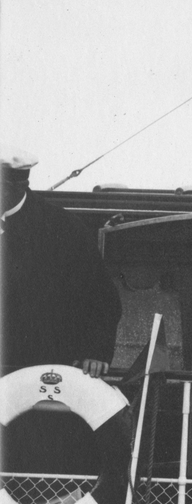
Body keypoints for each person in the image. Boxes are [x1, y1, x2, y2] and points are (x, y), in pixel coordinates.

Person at [1, 147, 121, 376]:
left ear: (19, 185)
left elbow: (101, 294)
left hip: (43, 367)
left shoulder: (62, 227)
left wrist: (96, 351)